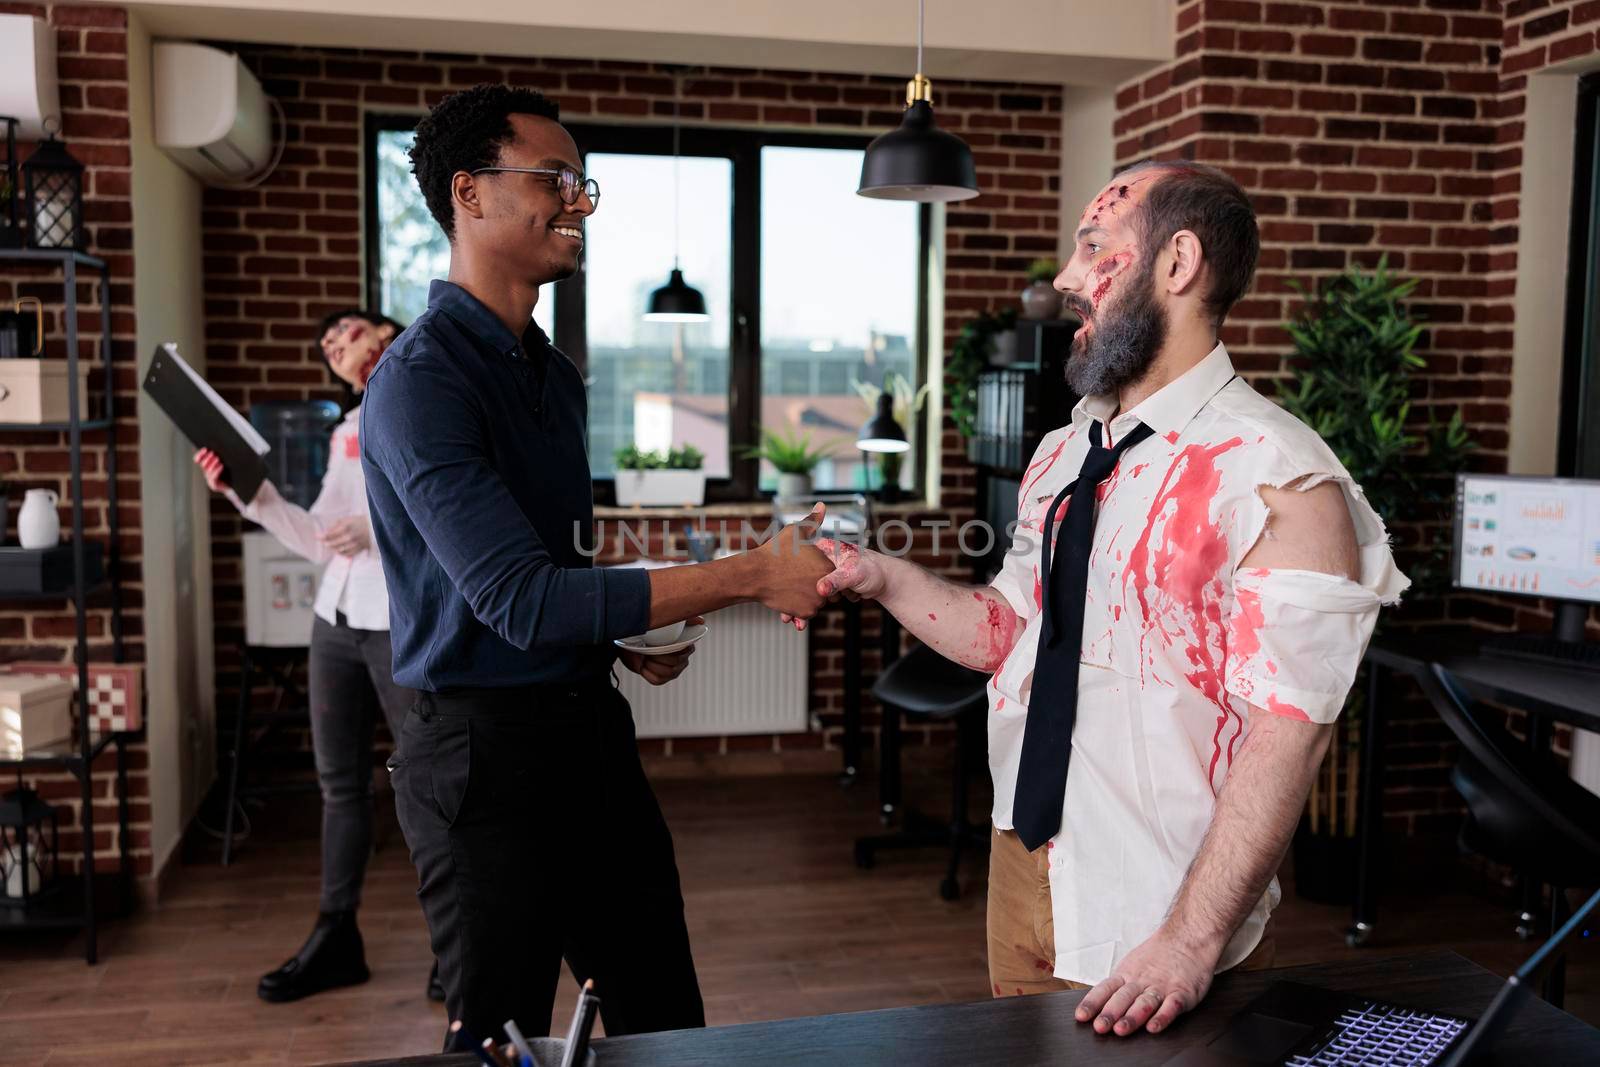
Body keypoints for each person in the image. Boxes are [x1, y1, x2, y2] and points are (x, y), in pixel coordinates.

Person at [802, 162, 1409, 1037]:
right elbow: (1012, 634)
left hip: (1158, 906)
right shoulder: (1063, 451)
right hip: (1023, 856)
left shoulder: (1283, 479)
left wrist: (1192, 939)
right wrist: (882, 575)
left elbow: (1291, 733)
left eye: (1093, 249)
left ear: (1177, 263)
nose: (1064, 279)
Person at [359, 84, 835, 1050]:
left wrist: (613, 634)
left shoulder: (553, 373)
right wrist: (750, 572)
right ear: (470, 193)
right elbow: (521, 601)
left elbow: (538, 565)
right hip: (482, 763)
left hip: (588, 734)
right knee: (500, 1039)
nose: (578, 203)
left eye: (584, 183)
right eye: (556, 179)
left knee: (666, 1018)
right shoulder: (421, 382)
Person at [195, 308, 446, 1004]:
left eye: (349, 332)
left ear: (389, 334)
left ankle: (455, 942)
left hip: (402, 623)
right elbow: (316, 537)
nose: (340, 349)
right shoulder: (346, 431)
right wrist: (251, 495)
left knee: (424, 785)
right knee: (340, 787)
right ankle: (337, 936)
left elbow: (450, 516)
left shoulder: (432, 402)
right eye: (330, 348)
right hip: (335, 621)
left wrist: (374, 528)